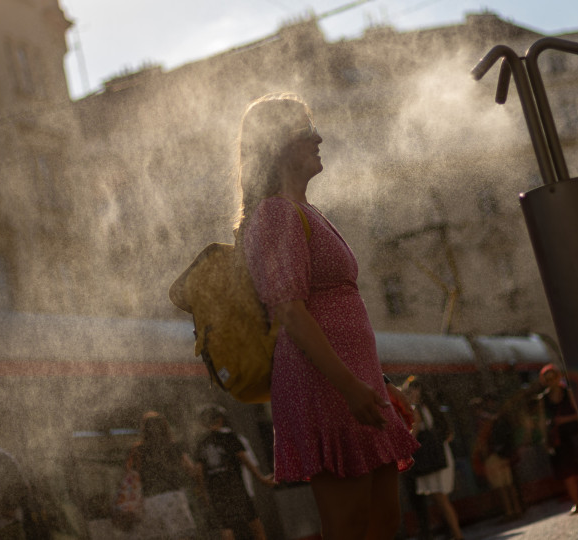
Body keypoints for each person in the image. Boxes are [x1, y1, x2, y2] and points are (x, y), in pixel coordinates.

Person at [237, 93, 419, 540]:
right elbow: (290, 312)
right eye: (305, 130)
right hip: (327, 385)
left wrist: (377, 382)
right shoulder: (276, 214)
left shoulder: (306, 212)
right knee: (351, 527)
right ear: (277, 143)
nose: (318, 136)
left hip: (354, 383)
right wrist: (351, 386)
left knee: (383, 523)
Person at [194, 405, 274, 540]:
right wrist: (261, 478)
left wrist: (203, 493)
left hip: (216, 492)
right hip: (236, 487)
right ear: (220, 420)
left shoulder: (201, 442)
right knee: (254, 522)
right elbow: (245, 460)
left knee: (226, 527)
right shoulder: (229, 436)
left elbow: (199, 471)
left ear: (203, 423)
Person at [401, 377, 464, 540]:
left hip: (430, 458)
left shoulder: (416, 409)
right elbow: (448, 434)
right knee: (442, 499)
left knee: (440, 499)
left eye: (409, 391)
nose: (407, 395)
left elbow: (412, 436)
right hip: (441, 454)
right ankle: (455, 533)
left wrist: (401, 450)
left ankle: (457, 535)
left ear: (416, 391)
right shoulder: (430, 407)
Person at [125, 411, 199, 540]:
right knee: (183, 536)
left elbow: (131, 475)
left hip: (151, 501)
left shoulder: (138, 449)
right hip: (174, 497)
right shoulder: (174, 446)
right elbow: (191, 470)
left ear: (144, 429)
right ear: (165, 427)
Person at [537, 364, 578, 515]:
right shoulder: (542, 399)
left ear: (558, 377)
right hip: (558, 439)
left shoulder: (568, 393)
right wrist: (545, 438)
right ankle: (577, 503)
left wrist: (564, 419)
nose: (551, 381)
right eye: (547, 379)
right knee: (567, 473)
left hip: (573, 434)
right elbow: (542, 421)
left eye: (553, 377)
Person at [470, 394, 523, 522]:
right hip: (503, 453)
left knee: (501, 487)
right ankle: (517, 509)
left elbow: (481, 442)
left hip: (491, 456)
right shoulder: (494, 418)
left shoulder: (480, 422)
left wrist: (482, 457)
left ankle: (509, 512)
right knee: (509, 484)